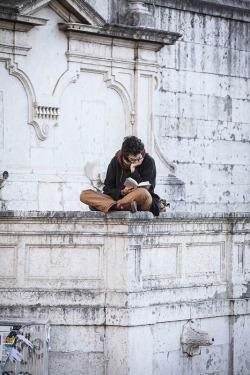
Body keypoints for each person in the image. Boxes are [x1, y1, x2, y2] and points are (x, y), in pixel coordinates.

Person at [80, 136, 160, 216]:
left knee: (143, 192)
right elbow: (107, 189)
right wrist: (122, 192)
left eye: (139, 158)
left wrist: (133, 171)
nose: (137, 161)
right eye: (133, 159)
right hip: (120, 198)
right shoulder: (115, 161)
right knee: (85, 194)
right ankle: (121, 206)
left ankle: (110, 206)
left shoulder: (149, 161)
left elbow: (150, 189)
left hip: (141, 202)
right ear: (126, 156)